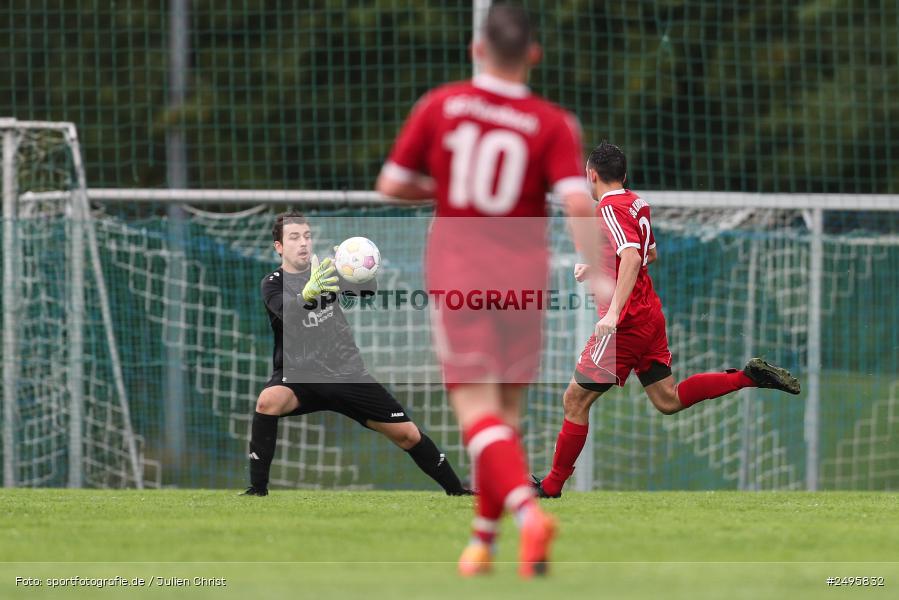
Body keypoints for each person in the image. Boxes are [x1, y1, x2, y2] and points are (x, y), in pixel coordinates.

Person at [376, 3, 596, 578]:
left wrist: (445, 186)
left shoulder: (442, 105)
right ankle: (481, 543)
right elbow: (577, 201)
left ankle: (528, 516)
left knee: (477, 414)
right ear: (533, 55)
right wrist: (597, 272)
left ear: (477, 49)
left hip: (461, 273)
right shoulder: (554, 123)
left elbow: (392, 184)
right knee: (509, 417)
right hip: (524, 280)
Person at [532, 141, 801, 499]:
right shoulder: (636, 202)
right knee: (667, 400)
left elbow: (631, 257)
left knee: (575, 401)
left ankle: (550, 488)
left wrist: (612, 313)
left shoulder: (607, 208)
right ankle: (746, 377)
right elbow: (650, 254)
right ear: (624, 175)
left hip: (624, 325)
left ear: (590, 175)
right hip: (649, 318)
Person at [241, 211, 471, 497]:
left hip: (346, 374)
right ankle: (257, 490)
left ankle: (457, 491)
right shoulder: (272, 282)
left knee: (407, 435)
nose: (303, 243)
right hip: (299, 376)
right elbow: (287, 312)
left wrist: (354, 269)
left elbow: (367, 291)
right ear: (279, 247)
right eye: (294, 237)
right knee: (267, 401)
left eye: (307, 236)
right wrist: (307, 294)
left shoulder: (325, 272)